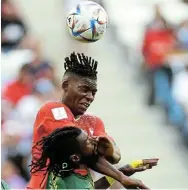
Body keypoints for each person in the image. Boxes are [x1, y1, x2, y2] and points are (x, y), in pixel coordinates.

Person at [28, 52, 158, 189]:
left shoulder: (93, 122)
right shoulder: (52, 111)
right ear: (66, 86)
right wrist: (121, 177)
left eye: (93, 92)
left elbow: (114, 155)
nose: (90, 97)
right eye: (84, 89)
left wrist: (116, 161)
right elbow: (82, 150)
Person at [30, 126, 150, 189]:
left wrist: (121, 173)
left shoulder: (67, 172)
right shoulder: (70, 181)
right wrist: (120, 176)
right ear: (76, 157)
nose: (93, 140)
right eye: (87, 141)